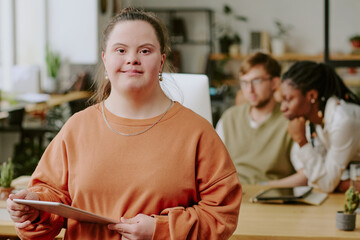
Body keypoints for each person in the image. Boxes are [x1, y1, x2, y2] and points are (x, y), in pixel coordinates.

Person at [7, 8, 242, 239]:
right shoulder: (77, 127)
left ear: (161, 62)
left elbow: (221, 214)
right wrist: (34, 205)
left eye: (145, 51)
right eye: (120, 50)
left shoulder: (197, 132)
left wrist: (160, 230)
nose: (132, 59)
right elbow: (51, 197)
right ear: (105, 59)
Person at [216, 52, 302, 185]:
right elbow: (213, 168)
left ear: (274, 83)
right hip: (233, 196)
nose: (249, 89)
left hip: (272, 198)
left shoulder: (291, 120)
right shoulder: (229, 118)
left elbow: (306, 175)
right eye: (244, 82)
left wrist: (264, 187)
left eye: (257, 81)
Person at [280, 61, 360, 193]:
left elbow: (326, 183)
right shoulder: (313, 120)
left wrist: (302, 141)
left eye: (288, 99)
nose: (283, 108)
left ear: (311, 95)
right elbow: (312, 175)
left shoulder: (342, 121)